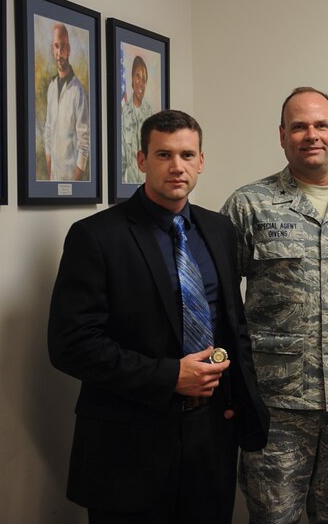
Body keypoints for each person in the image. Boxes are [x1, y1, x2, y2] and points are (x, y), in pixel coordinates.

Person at [48, 109, 269, 523]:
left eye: (187, 155)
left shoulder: (219, 230)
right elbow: (71, 345)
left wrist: (244, 408)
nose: (177, 166)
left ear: (201, 161)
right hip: (128, 445)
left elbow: (232, 326)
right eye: (164, 155)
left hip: (211, 437)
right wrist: (169, 376)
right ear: (142, 159)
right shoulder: (96, 236)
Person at [221, 87, 328, 523]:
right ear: (282, 136)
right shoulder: (249, 204)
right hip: (276, 403)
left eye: (320, 125)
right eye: (299, 126)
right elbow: (220, 298)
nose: (311, 135)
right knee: (272, 516)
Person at [43, 22, 89, 181]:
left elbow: (84, 142)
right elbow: (48, 132)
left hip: (71, 179)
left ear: (68, 50)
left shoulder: (78, 90)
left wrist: (76, 183)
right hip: (53, 178)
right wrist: (49, 175)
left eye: (63, 47)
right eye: (56, 46)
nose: (59, 53)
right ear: (52, 49)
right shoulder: (51, 87)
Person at [121, 55, 153, 184]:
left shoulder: (150, 115)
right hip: (128, 183)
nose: (141, 82)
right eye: (137, 76)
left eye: (144, 78)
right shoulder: (124, 112)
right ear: (132, 79)